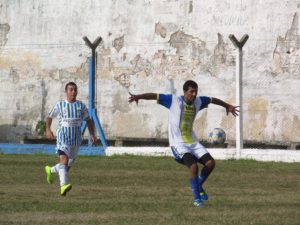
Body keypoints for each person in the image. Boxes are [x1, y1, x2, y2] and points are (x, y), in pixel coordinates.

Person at [128, 80, 239, 207]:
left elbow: (212, 99)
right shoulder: (173, 100)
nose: (194, 94)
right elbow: (154, 96)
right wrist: (138, 97)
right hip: (178, 144)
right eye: (191, 91)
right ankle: (197, 199)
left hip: (192, 141)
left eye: (196, 92)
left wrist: (227, 106)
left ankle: (198, 185)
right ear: (185, 92)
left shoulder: (198, 102)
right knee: (193, 167)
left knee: (210, 163)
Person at [44, 82, 95, 196]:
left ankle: (50, 170)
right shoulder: (60, 105)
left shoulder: (81, 106)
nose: (73, 92)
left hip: (76, 139)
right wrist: (48, 129)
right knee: (64, 160)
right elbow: (49, 117)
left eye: (75, 90)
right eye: (71, 90)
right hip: (63, 137)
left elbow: (89, 120)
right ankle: (63, 186)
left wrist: (92, 133)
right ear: (66, 91)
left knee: (66, 166)